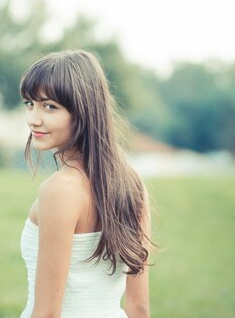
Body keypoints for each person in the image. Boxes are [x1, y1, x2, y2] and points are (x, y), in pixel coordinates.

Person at [19, 50, 153, 318]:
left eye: (49, 106)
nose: (33, 118)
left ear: (83, 111)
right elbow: (139, 307)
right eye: (29, 103)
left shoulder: (60, 190)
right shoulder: (132, 182)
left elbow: (47, 314)